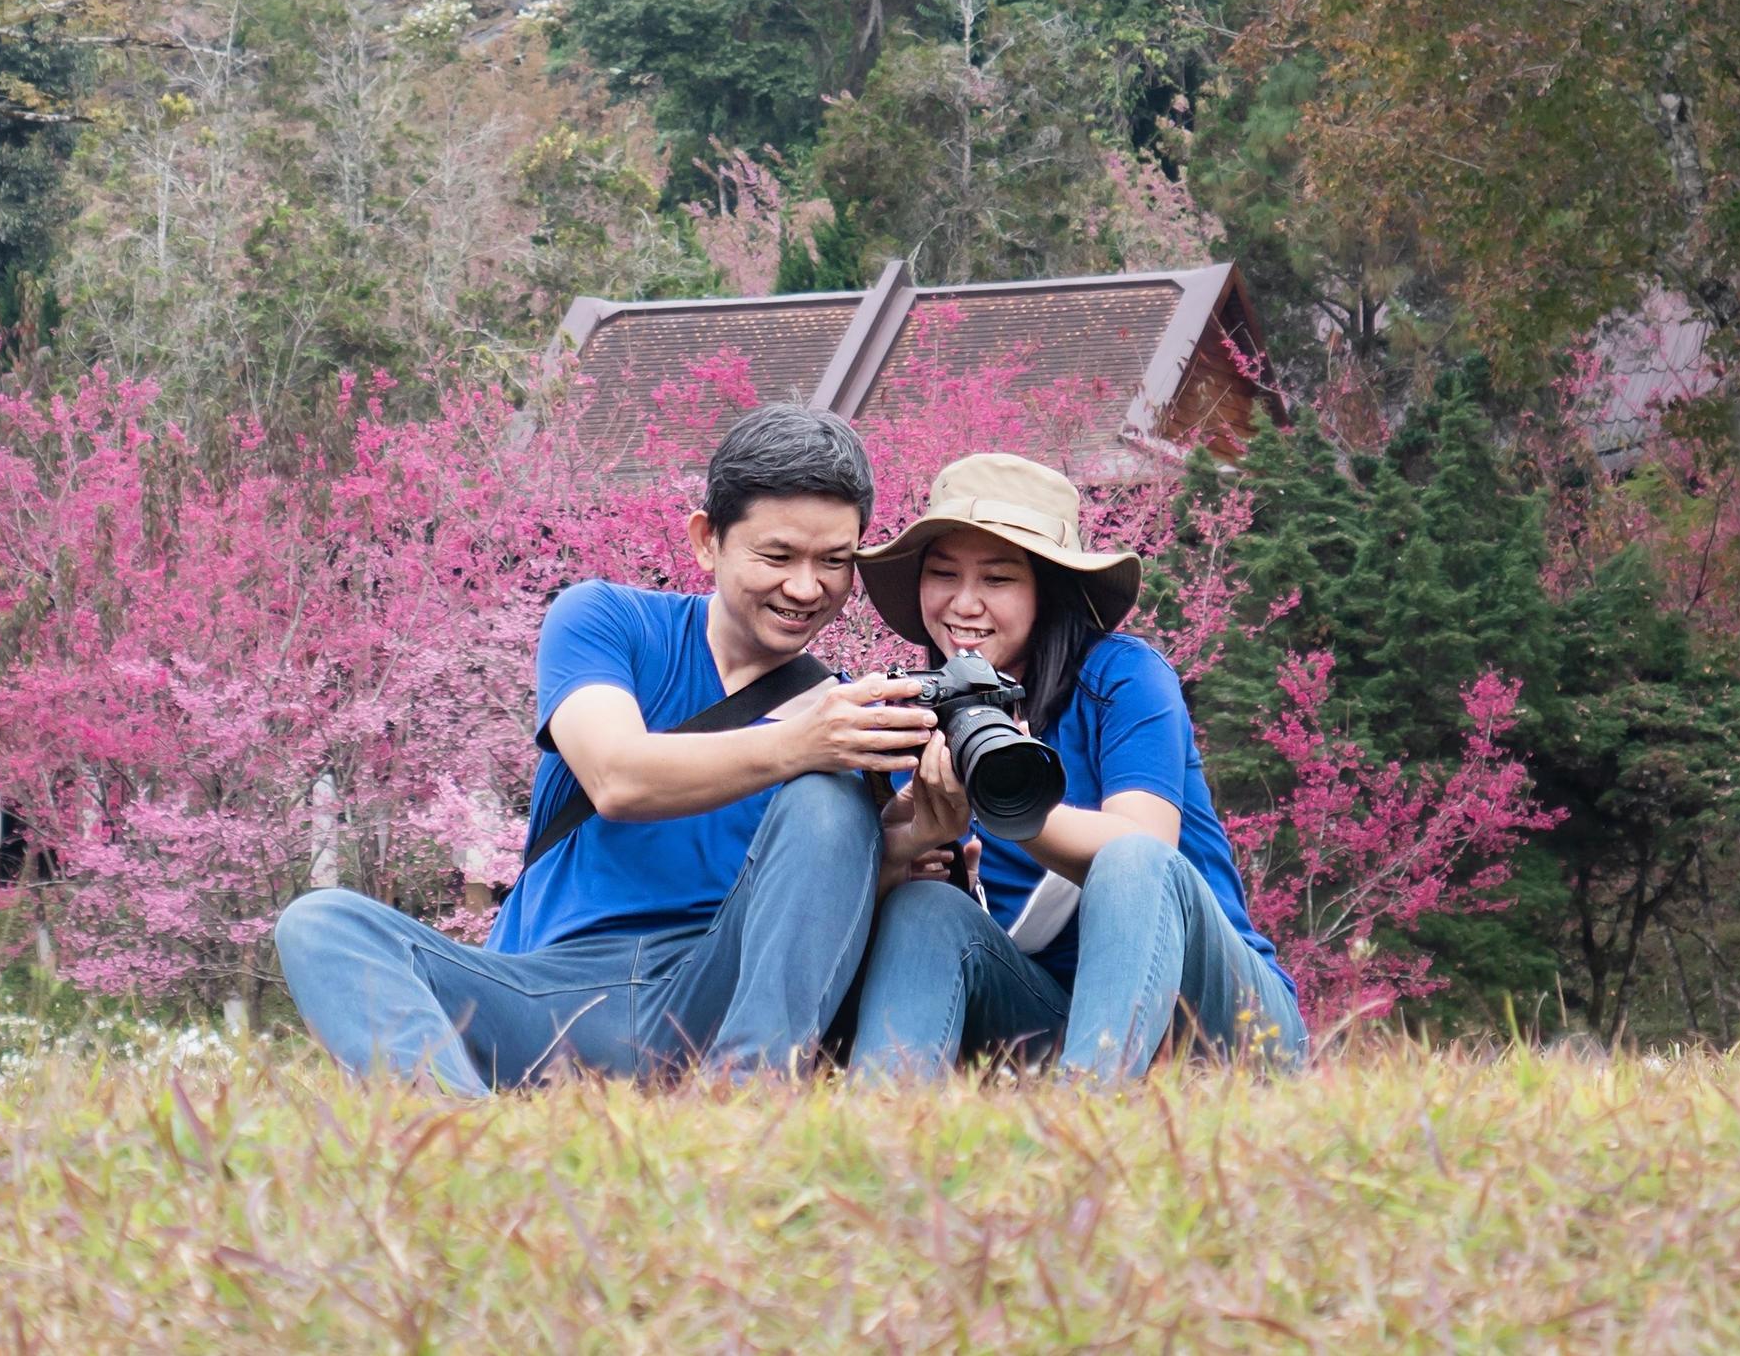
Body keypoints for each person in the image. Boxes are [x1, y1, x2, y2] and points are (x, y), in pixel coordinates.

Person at [275, 405, 946, 1094]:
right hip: (540, 1000)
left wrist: (892, 852)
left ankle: (745, 1101)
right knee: (322, 922)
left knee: (828, 802)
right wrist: (800, 742)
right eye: (776, 556)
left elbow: (804, 930)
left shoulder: (855, 723)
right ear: (706, 541)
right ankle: (462, 1137)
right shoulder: (605, 620)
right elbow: (616, 778)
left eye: (833, 562)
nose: (806, 588)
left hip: (707, 998)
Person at [846, 452, 1304, 1081]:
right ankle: (878, 1131)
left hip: (1223, 1025)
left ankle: (1090, 1116)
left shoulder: (1123, 677)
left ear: (1046, 588)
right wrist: (913, 839)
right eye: (943, 574)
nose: (964, 603)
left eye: (999, 580)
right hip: (1048, 1017)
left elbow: (1148, 842)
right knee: (921, 908)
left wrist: (1005, 796)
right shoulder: (920, 711)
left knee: (1132, 857)